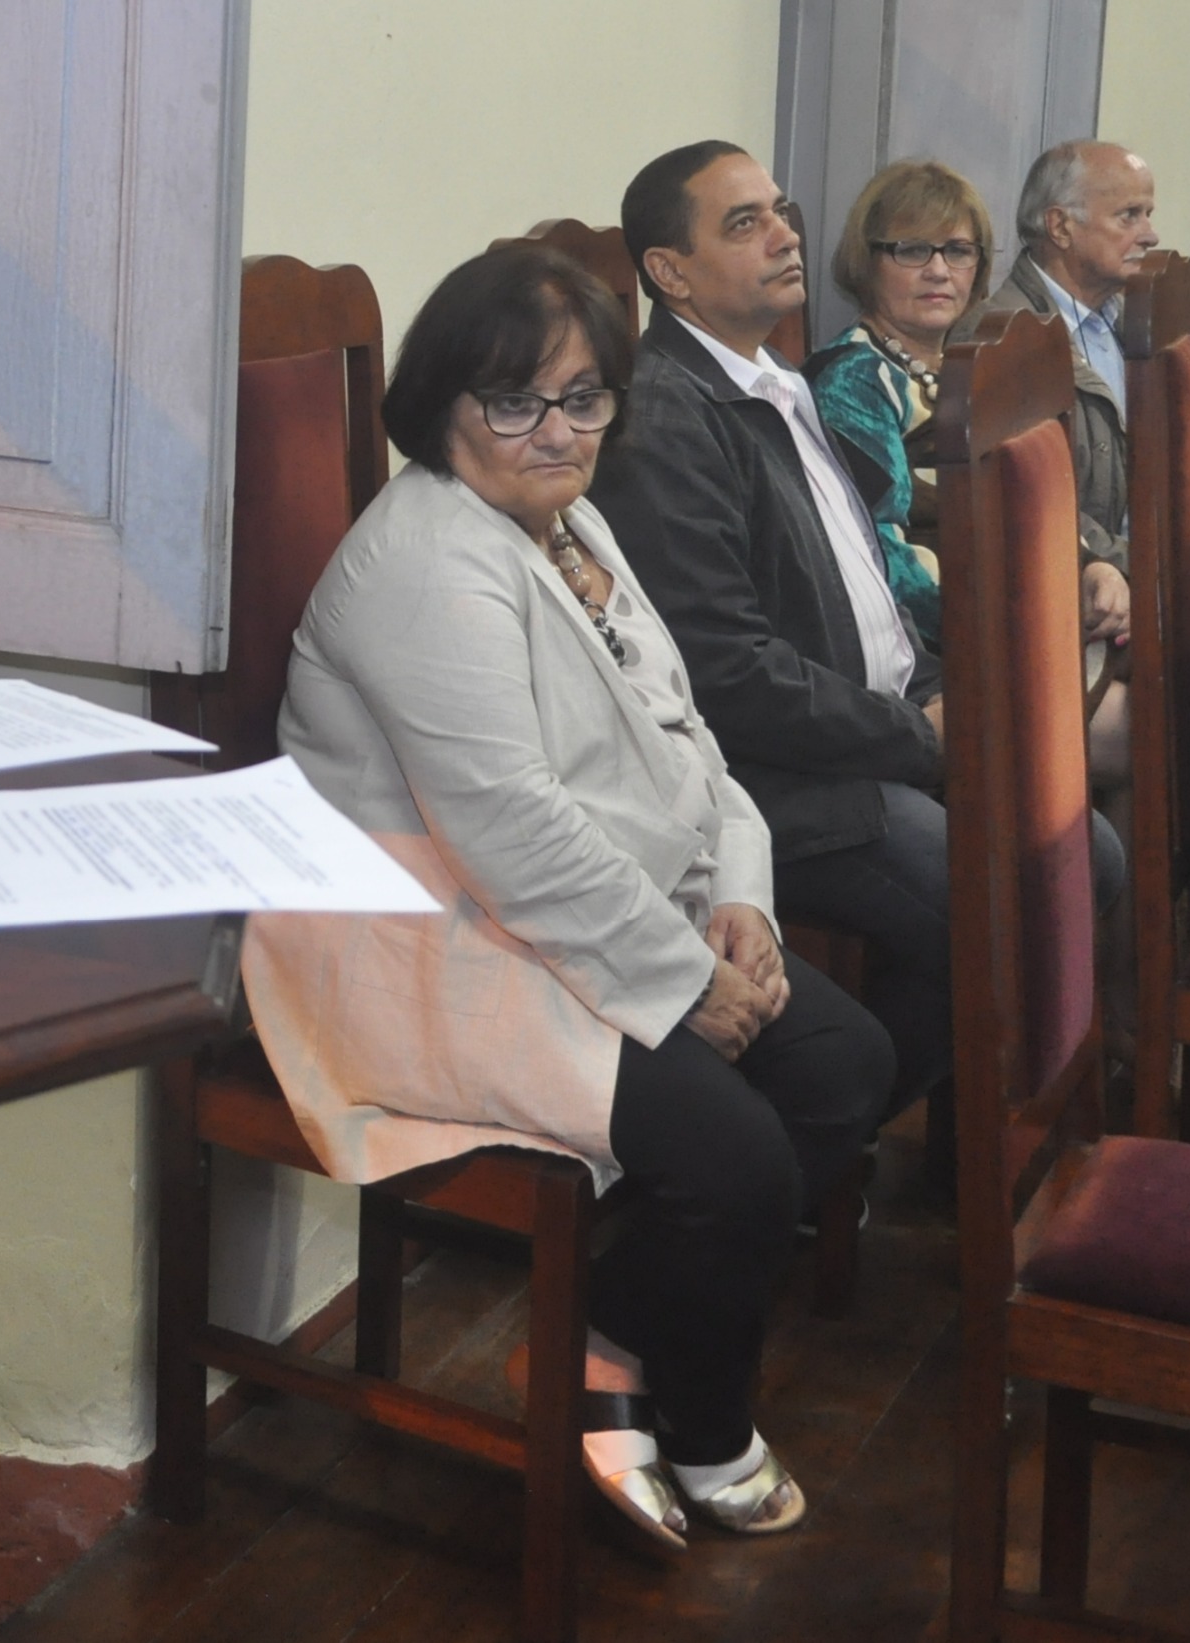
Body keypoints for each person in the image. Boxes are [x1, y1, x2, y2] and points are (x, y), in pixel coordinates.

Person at [249, 243, 882, 1549]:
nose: (557, 431)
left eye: (584, 397)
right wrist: (684, 978)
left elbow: (686, 732)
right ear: (439, 405)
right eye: (514, 400)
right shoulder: (429, 561)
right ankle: (696, 1415)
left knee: (843, 1065)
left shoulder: (570, 524)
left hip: (581, 903)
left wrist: (743, 903)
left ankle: (610, 1340)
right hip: (420, 936)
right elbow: (508, 828)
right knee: (738, 1159)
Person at [594, 142, 1127, 1123]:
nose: (784, 235)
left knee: (1085, 852)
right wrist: (921, 736)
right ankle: (832, 1131)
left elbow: (862, 588)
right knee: (1023, 909)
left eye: (779, 210)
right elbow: (725, 674)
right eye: (744, 223)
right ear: (670, 272)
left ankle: (930, 1125)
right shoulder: (668, 419)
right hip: (781, 780)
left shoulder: (770, 378)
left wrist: (936, 695)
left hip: (875, 722)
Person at [798, 157, 993, 649]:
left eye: (958, 250)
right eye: (912, 250)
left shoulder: (975, 367)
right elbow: (877, 552)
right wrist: (1016, 621)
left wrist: (1090, 568)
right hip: (930, 645)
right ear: (867, 262)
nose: (938, 270)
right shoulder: (852, 378)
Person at [985, 139, 1151, 655]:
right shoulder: (1006, 341)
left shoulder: (1126, 322)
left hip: (1143, 579)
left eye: (1147, 215)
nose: (1149, 234)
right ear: (1060, 227)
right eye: (1129, 216)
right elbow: (1026, 501)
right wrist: (1153, 569)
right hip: (1070, 603)